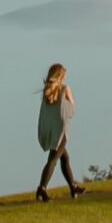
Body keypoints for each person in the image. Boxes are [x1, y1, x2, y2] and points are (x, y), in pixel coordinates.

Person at [34, 62, 83, 201]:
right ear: (61, 75)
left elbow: (46, 113)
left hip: (52, 130)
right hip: (61, 131)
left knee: (64, 158)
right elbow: (72, 110)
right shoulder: (65, 88)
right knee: (53, 160)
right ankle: (41, 189)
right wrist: (70, 102)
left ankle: (73, 187)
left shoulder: (47, 91)